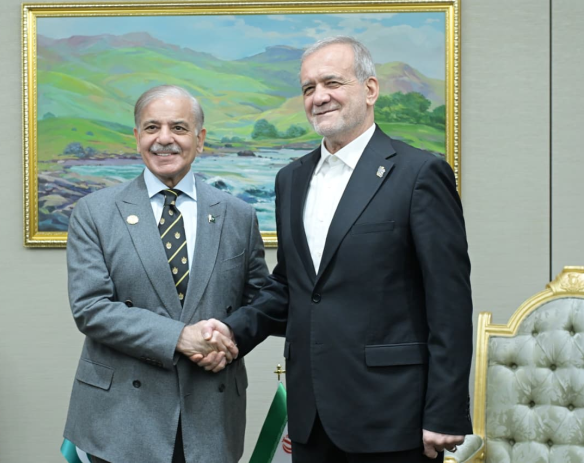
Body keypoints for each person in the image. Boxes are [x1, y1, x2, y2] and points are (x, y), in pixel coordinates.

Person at [199, 36, 473, 462]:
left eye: (332, 83)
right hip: (311, 418)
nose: (319, 97)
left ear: (370, 89)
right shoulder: (291, 179)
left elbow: (449, 300)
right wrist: (233, 331)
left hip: (394, 416)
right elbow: (291, 285)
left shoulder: (419, 173)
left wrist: (447, 409)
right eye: (308, 88)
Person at [63, 85, 268, 463]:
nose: (164, 139)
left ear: (200, 139)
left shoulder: (238, 214)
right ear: (137, 136)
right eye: (152, 127)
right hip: (121, 418)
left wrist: (229, 339)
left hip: (211, 412)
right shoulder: (94, 212)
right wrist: (180, 338)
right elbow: (90, 307)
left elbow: (259, 301)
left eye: (178, 127)